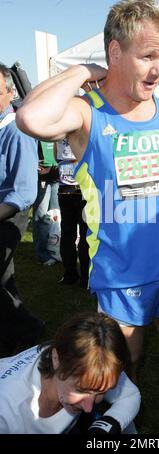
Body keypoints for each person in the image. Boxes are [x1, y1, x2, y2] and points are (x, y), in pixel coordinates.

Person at [16, 0, 159, 434]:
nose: (158, 68)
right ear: (115, 52)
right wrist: (81, 71)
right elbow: (31, 118)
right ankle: (117, 432)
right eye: (147, 55)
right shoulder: (87, 110)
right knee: (120, 368)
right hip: (122, 279)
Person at [0, 311, 140, 434]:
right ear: (56, 359)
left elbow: (130, 395)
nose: (88, 407)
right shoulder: (6, 412)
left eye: (101, 392)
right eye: (80, 390)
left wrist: (104, 427)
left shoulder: (89, 360)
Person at [0, 62, 44, 356]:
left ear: (9, 91)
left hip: (8, 215)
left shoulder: (16, 130)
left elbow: (25, 191)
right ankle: (16, 338)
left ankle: (30, 333)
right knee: (4, 281)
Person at [56, 138, 89, 288]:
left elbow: (56, 155)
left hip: (66, 189)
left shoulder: (59, 132)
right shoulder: (83, 129)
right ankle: (84, 277)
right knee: (84, 235)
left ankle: (71, 275)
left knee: (69, 234)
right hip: (80, 190)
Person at [32, 140, 61, 266]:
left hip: (59, 178)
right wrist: (34, 164)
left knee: (56, 216)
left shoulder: (60, 130)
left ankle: (56, 251)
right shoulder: (36, 131)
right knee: (41, 216)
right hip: (41, 179)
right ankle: (43, 254)